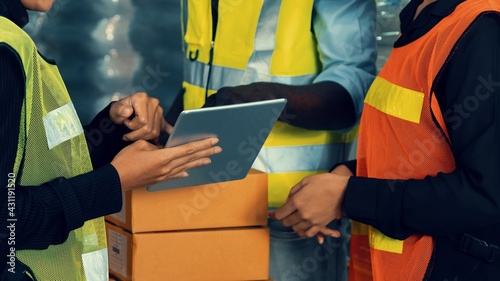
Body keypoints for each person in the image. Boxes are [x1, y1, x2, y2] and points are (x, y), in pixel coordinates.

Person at [272, 0, 500, 280]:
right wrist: (353, 174)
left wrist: (350, 195)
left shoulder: (484, 31)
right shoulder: (425, 19)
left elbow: (487, 195)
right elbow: (427, 145)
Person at [0, 0, 222, 280]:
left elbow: (30, 167)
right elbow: (7, 219)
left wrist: (112, 129)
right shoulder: (5, 49)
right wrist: (114, 181)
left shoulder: (12, 39)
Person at [165, 0, 377, 280]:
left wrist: (259, 97)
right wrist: (169, 130)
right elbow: (205, 73)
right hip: (204, 198)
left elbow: (352, 95)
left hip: (292, 212)